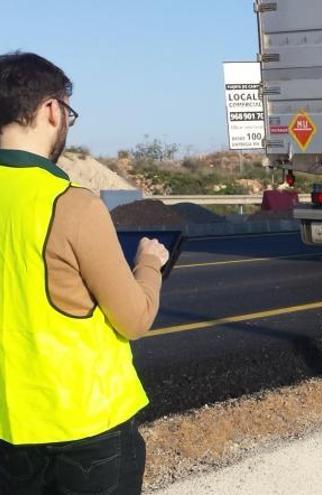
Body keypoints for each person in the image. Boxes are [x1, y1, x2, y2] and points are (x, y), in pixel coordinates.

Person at [0, 51, 168, 494]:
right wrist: (148, 264)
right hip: (87, 431)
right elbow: (134, 318)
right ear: (51, 110)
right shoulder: (71, 203)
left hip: (7, 430)